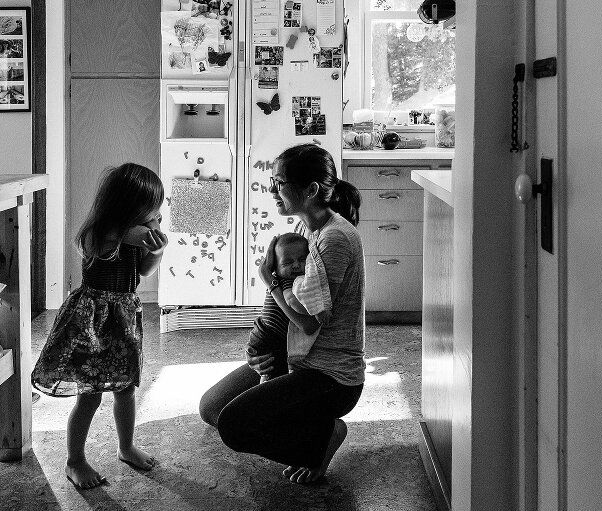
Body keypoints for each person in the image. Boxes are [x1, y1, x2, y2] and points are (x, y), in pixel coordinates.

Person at [199, 143, 365, 484]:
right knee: (212, 407)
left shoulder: (334, 239)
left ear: (311, 190)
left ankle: (323, 438)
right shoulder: (306, 230)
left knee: (234, 425)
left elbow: (308, 320)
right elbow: (282, 307)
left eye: (279, 182)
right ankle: (308, 429)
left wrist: (271, 282)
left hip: (329, 376)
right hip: (297, 355)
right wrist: (262, 352)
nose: (271, 189)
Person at [31, 163, 168, 490]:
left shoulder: (136, 233)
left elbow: (146, 270)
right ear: (126, 207)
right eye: (150, 208)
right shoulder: (99, 232)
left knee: (126, 389)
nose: (155, 215)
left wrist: (157, 250)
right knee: (89, 397)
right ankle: (74, 460)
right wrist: (134, 233)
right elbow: (105, 246)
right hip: (92, 321)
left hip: (123, 321)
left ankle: (125, 447)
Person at [245, 232, 309, 384]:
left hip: (263, 334)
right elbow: (291, 300)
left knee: (273, 369)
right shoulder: (288, 282)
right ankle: (265, 384)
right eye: (287, 263)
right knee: (272, 371)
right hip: (269, 335)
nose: (296, 265)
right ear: (275, 267)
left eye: (302, 260)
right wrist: (310, 311)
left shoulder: (285, 279)